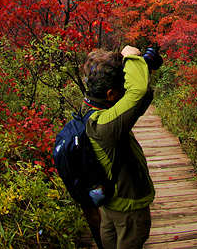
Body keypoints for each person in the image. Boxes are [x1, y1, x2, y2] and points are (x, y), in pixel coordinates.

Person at [82, 45, 155, 249]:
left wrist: (143, 68)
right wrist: (131, 59)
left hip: (109, 202)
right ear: (111, 94)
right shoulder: (105, 126)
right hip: (127, 206)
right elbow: (138, 91)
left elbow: (138, 102)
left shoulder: (90, 107)